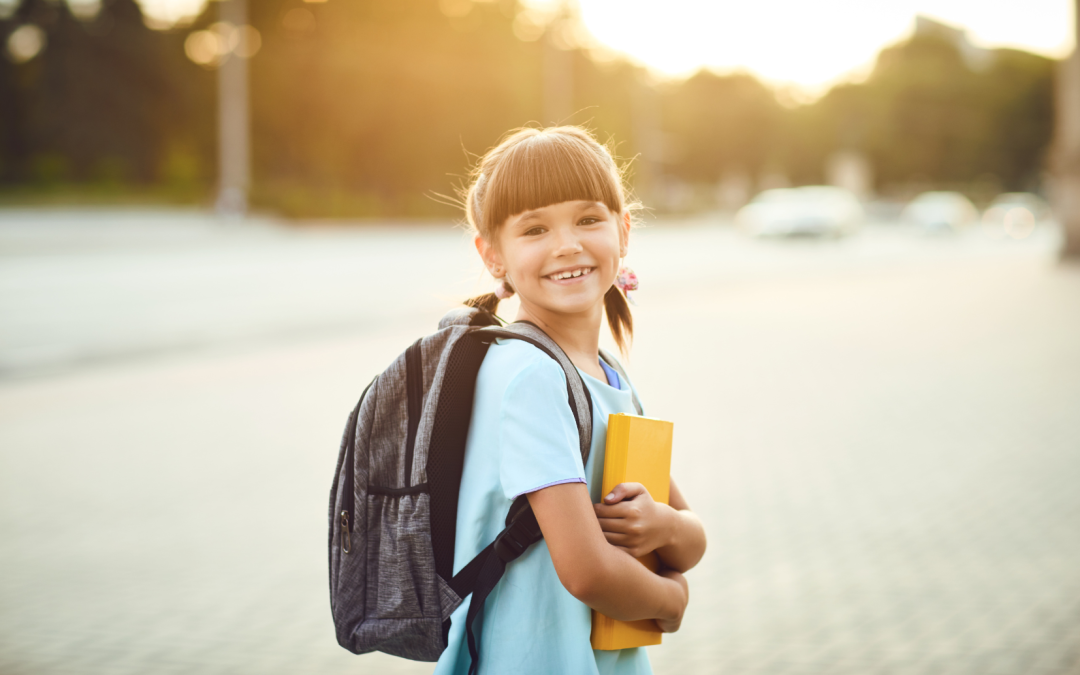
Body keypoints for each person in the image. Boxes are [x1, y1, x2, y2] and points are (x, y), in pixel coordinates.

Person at [434, 126, 707, 675]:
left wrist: (663, 528)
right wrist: (670, 602)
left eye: (588, 219)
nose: (567, 245)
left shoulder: (609, 375)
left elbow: (689, 536)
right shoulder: (528, 376)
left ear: (623, 230)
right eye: (534, 228)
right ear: (493, 255)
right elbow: (587, 572)